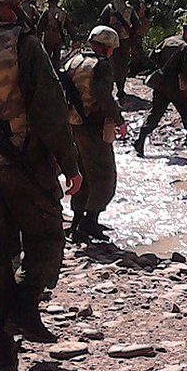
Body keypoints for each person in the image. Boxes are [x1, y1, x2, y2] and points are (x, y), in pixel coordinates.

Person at [0, 0, 82, 371]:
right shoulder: (24, 45)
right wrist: (70, 164)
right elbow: (50, 111)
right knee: (47, 237)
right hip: (25, 166)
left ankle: (1, 341)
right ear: (9, 3)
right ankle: (26, 305)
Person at [62, 26, 128, 241]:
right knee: (104, 176)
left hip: (73, 126)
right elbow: (103, 97)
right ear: (108, 47)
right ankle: (89, 222)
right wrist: (119, 121)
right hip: (93, 127)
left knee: (82, 174)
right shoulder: (101, 65)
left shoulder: (74, 60)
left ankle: (77, 221)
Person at [133, 23, 187, 157]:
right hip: (177, 88)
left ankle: (140, 140)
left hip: (161, 86)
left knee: (155, 113)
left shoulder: (167, 41)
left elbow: (152, 57)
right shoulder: (185, 48)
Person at [98, 0, 139, 98]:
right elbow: (137, 24)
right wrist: (132, 37)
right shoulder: (129, 9)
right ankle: (121, 88)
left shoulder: (108, 9)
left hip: (112, 41)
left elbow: (101, 24)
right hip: (125, 40)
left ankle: (116, 87)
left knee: (113, 65)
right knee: (124, 64)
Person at [123, 0, 153, 75]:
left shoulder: (135, 1)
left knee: (136, 49)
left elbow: (134, 15)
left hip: (138, 26)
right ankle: (134, 69)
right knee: (135, 49)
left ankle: (151, 66)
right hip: (139, 26)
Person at [35, 0, 72, 68]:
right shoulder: (62, 13)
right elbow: (69, 27)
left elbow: (40, 27)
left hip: (48, 37)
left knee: (46, 57)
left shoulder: (46, 12)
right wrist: (74, 39)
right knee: (56, 57)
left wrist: (37, 39)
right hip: (58, 38)